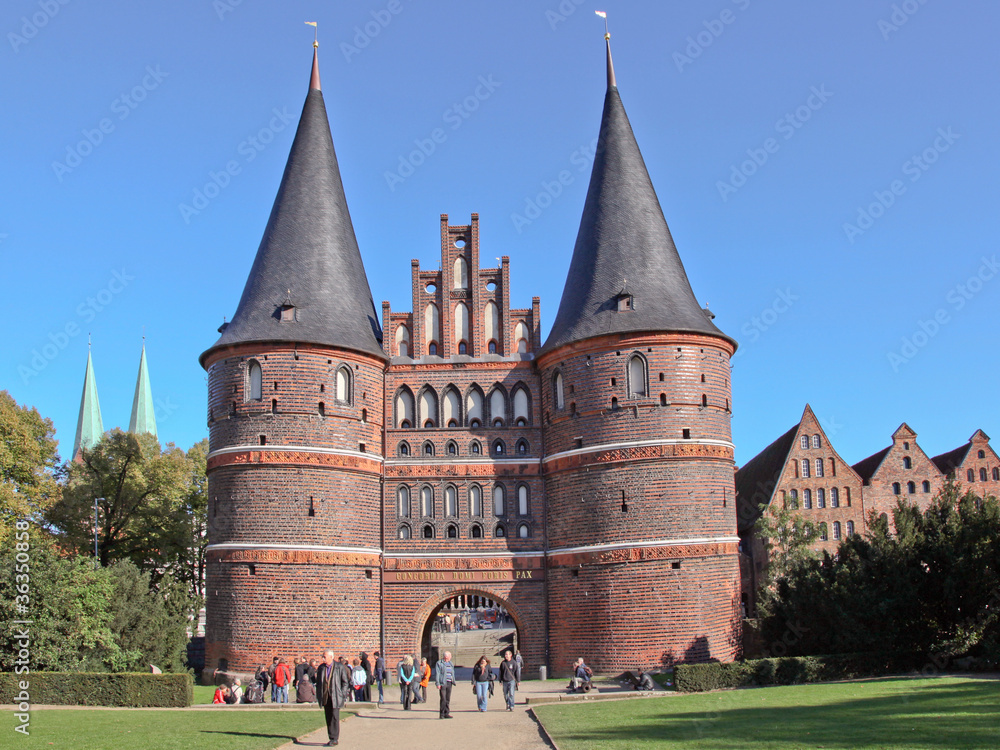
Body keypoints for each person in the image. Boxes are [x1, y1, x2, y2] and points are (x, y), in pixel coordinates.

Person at [317, 649, 350, 747]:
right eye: (323, 656)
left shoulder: (339, 667)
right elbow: (319, 683)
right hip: (326, 696)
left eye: (325, 656)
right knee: (328, 717)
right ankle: (331, 737)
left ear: (331, 657)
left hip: (336, 695)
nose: (323, 658)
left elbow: (345, 682)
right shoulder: (321, 668)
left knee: (335, 717)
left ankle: (335, 738)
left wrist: (342, 694)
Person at [434, 650, 456, 719]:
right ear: (446, 657)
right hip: (443, 683)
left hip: (449, 682)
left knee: (447, 699)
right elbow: (438, 674)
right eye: (450, 656)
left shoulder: (451, 663)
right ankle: (442, 713)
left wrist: (453, 680)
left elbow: (452, 672)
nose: (451, 657)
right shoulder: (439, 663)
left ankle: (447, 713)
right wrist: (438, 683)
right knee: (443, 698)